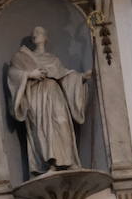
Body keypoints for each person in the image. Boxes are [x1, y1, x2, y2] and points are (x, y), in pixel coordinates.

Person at [6, 26, 92, 175]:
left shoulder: (53, 59)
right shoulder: (23, 56)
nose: (35, 34)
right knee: (42, 128)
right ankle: (50, 164)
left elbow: (65, 76)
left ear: (46, 38)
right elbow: (12, 73)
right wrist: (29, 74)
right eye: (34, 33)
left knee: (62, 122)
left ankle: (69, 161)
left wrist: (81, 77)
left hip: (54, 92)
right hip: (36, 96)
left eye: (39, 32)